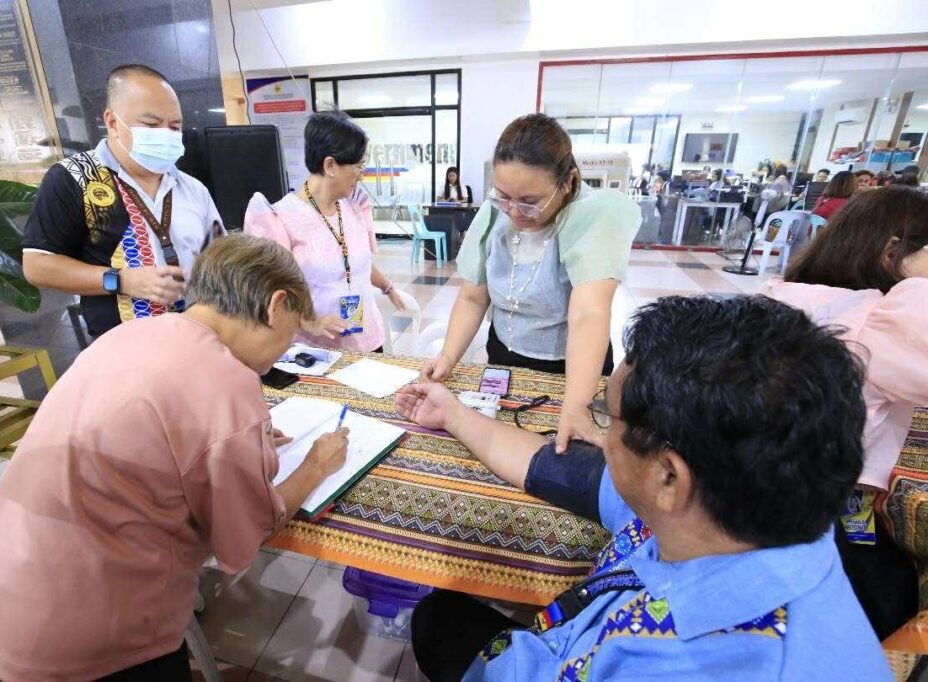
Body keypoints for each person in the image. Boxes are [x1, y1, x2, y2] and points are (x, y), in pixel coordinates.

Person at [399, 295, 889, 681]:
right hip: (557, 650)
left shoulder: (697, 664)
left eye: (607, 419)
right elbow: (547, 466)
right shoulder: (740, 506)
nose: (600, 440)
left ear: (670, 476)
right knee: (440, 620)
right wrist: (452, 414)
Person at [0, 235, 351, 681]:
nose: (283, 348)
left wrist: (236, 443)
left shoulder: (130, 335)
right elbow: (249, 530)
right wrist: (316, 465)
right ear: (276, 306)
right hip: (84, 643)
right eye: (291, 332)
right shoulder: (227, 381)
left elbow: (153, 437)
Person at [422, 113, 641, 453]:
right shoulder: (495, 215)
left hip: (572, 369)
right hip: (504, 356)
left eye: (529, 201)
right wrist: (448, 357)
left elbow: (588, 314)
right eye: (504, 196)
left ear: (567, 182)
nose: (513, 211)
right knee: (498, 448)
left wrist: (577, 405)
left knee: (562, 454)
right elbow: (472, 298)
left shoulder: (592, 218)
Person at [765, 187, 928, 639]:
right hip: (822, 519)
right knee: (891, 592)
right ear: (893, 251)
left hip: (752, 496)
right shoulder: (886, 318)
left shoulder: (784, 294)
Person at [22, 64, 224, 339]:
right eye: (151, 125)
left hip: (197, 337)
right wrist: (121, 280)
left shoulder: (191, 188)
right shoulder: (76, 178)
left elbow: (220, 255)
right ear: (112, 122)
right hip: (123, 347)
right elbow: (37, 266)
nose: (165, 134)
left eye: (175, 126)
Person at [245, 111, 404, 353]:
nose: (361, 176)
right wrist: (309, 322)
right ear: (330, 165)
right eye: (358, 166)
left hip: (367, 340)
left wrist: (387, 288)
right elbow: (270, 294)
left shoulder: (352, 206)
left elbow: (356, 261)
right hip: (317, 352)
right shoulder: (282, 218)